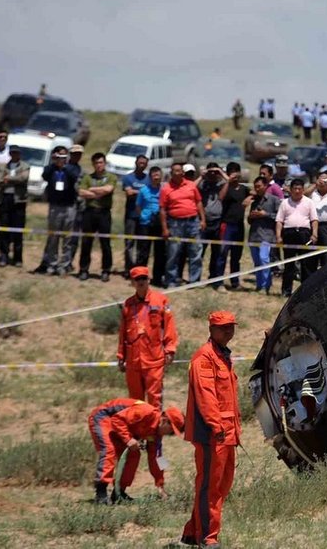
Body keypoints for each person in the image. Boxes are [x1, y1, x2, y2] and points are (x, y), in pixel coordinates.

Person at [181, 311, 241, 549]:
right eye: (223, 327)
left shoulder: (223, 356)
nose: (228, 331)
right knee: (210, 486)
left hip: (227, 432)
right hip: (212, 434)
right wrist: (217, 427)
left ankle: (190, 532)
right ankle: (208, 537)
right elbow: (206, 398)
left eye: (231, 327)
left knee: (222, 484)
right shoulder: (204, 358)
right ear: (212, 329)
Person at [88, 398, 184, 504]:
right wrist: (128, 440)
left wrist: (160, 485)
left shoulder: (157, 436)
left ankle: (118, 493)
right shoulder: (146, 412)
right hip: (103, 417)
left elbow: (158, 458)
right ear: (164, 420)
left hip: (120, 426)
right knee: (109, 450)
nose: (169, 434)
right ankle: (101, 493)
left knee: (134, 454)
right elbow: (117, 419)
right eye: (171, 430)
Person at [118, 265, 178, 410]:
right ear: (132, 282)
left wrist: (170, 350)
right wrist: (121, 355)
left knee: (154, 398)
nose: (141, 282)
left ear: (149, 280)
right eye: (137, 279)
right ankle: (139, 430)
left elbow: (169, 326)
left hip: (154, 359)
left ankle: (155, 430)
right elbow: (122, 333)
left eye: (143, 278)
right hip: (133, 361)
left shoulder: (161, 300)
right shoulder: (128, 304)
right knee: (135, 401)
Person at [34, 147, 80, 275]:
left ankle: (64, 265)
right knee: (53, 236)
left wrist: (64, 166)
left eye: (64, 157)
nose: (61, 159)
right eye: (59, 157)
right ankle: (51, 263)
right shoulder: (51, 169)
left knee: (67, 238)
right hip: (55, 206)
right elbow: (44, 175)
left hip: (69, 206)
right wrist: (54, 163)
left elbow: (74, 177)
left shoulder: (71, 168)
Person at [161, 162, 206, 288]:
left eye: (180, 170)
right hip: (175, 223)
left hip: (193, 222)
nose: (178, 173)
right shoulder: (166, 188)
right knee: (173, 253)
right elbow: (163, 210)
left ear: (182, 173)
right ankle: (171, 280)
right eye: (175, 171)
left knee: (196, 252)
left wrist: (203, 220)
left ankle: (194, 280)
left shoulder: (191, 185)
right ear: (171, 173)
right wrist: (165, 228)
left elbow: (198, 203)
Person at [77, 153, 118, 281]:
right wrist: (98, 194)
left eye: (101, 162)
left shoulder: (111, 177)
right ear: (93, 164)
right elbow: (81, 192)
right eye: (96, 163)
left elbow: (108, 189)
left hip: (104, 213)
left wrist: (92, 190)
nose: (99, 165)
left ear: (105, 163)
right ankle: (84, 269)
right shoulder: (88, 177)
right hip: (89, 212)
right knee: (86, 242)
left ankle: (106, 270)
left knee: (105, 242)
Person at [275, 178, 319, 297]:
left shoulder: (309, 202)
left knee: (306, 265)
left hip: (304, 234)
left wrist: (314, 234)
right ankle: (286, 291)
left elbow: (314, 220)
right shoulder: (285, 203)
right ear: (291, 189)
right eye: (295, 188)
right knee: (289, 264)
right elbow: (279, 221)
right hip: (289, 234)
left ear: (303, 189)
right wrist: (278, 236)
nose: (297, 191)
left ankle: (304, 292)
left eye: (300, 189)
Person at [215, 162, 250, 291]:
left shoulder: (243, 188)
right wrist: (228, 181)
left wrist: (250, 198)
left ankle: (235, 282)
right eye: (232, 172)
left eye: (237, 171)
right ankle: (219, 282)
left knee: (236, 255)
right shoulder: (225, 187)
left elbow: (255, 193)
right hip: (227, 225)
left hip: (239, 226)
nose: (235, 174)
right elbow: (220, 197)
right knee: (223, 254)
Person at [247, 177, 281, 293]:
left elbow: (279, 217)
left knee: (264, 260)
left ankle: (265, 285)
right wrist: (252, 216)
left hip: (267, 236)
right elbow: (249, 221)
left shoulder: (274, 200)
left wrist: (265, 214)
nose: (257, 189)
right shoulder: (255, 201)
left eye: (259, 186)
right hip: (254, 235)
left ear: (265, 186)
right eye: (255, 186)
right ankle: (259, 284)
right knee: (257, 262)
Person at [135, 166, 167, 286]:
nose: (156, 178)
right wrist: (142, 216)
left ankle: (157, 278)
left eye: (158, 175)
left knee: (160, 252)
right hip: (146, 223)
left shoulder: (164, 189)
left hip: (159, 224)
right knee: (143, 251)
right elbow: (138, 206)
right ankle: (140, 277)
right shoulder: (143, 190)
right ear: (150, 177)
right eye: (154, 176)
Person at [0, 146, 29, 267]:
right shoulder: (3, 166)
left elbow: (23, 178)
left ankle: (18, 258)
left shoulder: (25, 166)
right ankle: (4, 255)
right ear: (10, 154)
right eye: (13, 153)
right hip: (5, 199)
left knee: (18, 230)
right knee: (4, 229)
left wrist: (9, 178)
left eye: (17, 153)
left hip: (19, 201)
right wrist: (9, 180)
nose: (15, 155)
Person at [198, 163, 225, 287]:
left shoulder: (221, 184)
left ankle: (213, 278)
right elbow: (190, 188)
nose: (213, 175)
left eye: (215, 173)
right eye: (211, 172)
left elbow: (231, 182)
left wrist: (220, 172)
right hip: (204, 221)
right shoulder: (202, 184)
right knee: (199, 252)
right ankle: (196, 278)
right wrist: (202, 176)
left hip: (217, 222)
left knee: (216, 253)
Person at [121, 155, 149, 276]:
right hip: (131, 215)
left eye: (144, 163)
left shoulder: (148, 179)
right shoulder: (128, 177)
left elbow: (149, 195)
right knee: (129, 243)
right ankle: (128, 268)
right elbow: (129, 193)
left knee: (142, 244)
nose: (142, 165)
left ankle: (138, 269)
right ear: (136, 163)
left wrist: (136, 192)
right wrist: (144, 192)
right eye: (140, 163)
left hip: (144, 216)